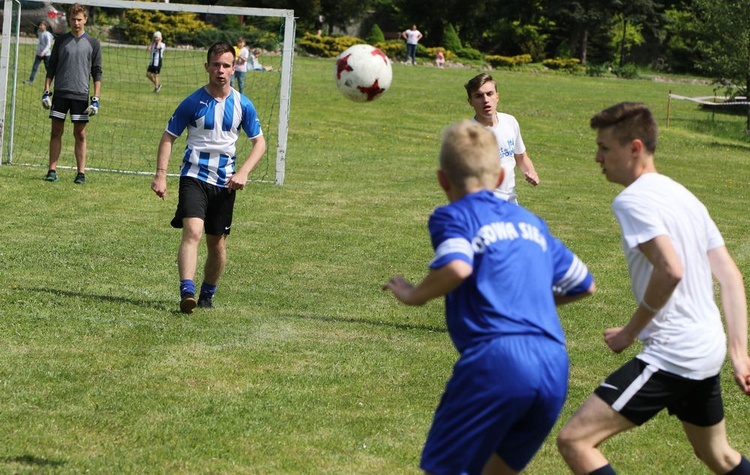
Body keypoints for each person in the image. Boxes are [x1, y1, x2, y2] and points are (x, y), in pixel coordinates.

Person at [383, 120, 595, 474]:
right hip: (554, 364)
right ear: (499, 178)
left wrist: (414, 295)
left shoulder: (453, 215)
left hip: (498, 360)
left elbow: (457, 267)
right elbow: (583, 284)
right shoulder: (532, 223)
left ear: (442, 180)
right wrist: (528, 300)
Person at [556, 102, 750, 475]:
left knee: (575, 441)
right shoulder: (684, 196)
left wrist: (631, 331)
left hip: (675, 353)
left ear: (634, 147)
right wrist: (738, 355)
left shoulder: (632, 200)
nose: (597, 157)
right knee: (719, 456)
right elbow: (729, 275)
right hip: (706, 348)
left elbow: (671, 269)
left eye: (604, 148)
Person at [150, 41, 266, 314]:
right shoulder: (193, 102)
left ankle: (207, 294)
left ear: (235, 67)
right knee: (192, 232)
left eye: (227, 65)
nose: (221, 71)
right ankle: (186, 291)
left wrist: (244, 172)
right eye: (216, 65)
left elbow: (259, 143)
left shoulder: (242, 104)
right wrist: (161, 175)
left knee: (217, 244)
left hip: (225, 183)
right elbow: (168, 137)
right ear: (207, 67)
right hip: (193, 176)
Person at [42, 2, 102, 185]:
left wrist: (96, 99)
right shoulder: (60, 41)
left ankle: (81, 173)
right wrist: (46, 92)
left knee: (80, 134)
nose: (76, 23)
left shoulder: (93, 43)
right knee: (56, 132)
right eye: (73, 19)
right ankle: (52, 170)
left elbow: (97, 72)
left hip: (80, 95)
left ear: (85, 20)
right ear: (69, 19)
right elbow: (51, 68)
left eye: (79, 19)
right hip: (60, 94)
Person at [465, 73, 539, 204]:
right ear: (470, 102)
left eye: (490, 94)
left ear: (497, 97)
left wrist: (531, 172)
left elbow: (521, 157)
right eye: (478, 96)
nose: (486, 100)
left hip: (510, 201)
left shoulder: (510, 122)